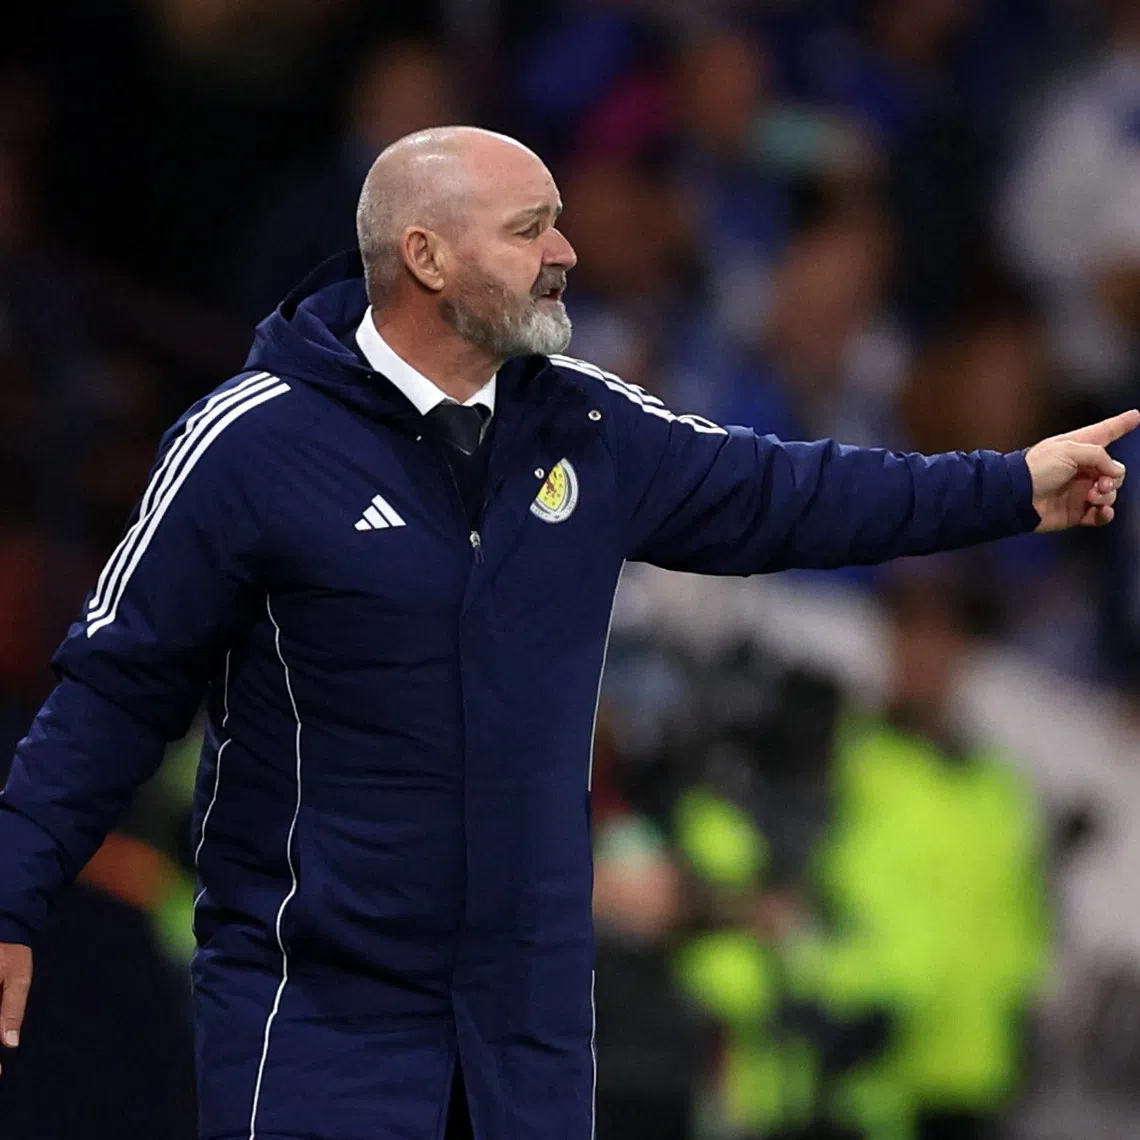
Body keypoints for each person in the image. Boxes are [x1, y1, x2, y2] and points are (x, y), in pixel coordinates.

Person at [0, 125, 1134, 1140]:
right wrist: (9, 899)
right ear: (428, 260)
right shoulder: (250, 441)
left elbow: (791, 492)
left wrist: (1007, 487)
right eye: (531, 226)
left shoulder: (586, 421)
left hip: (526, 1028)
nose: (568, 252)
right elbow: (115, 691)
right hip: (319, 1014)